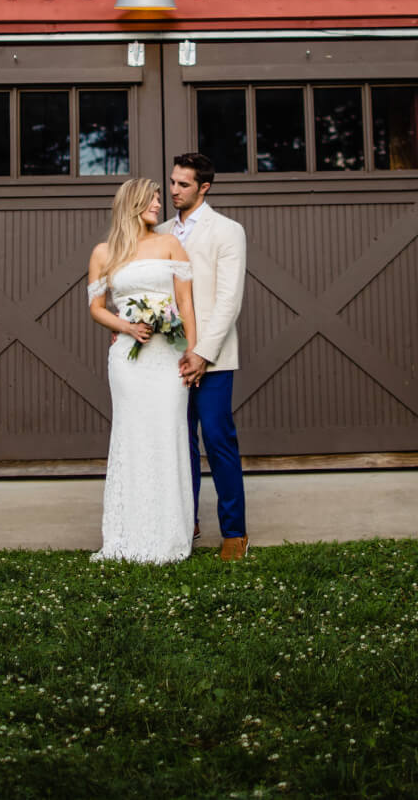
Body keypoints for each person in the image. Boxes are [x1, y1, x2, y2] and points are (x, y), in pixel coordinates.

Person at [87, 177, 199, 564]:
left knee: (168, 433)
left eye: (157, 198)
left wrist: (193, 350)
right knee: (132, 437)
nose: (158, 204)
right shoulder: (104, 252)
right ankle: (126, 533)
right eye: (152, 199)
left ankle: (170, 535)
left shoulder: (170, 244)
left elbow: (185, 303)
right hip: (128, 361)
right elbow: (97, 307)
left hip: (168, 355)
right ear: (132, 204)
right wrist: (127, 327)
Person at [166, 153, 249, 561]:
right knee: (178, 442)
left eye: (183, 184)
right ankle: (186, 522)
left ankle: (234, 532)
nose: (174, 190)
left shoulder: (228, 231)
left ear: (204, 187)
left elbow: (229, 300)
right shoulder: (161, 232)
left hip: (213, 358)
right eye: (172, 182)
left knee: (217, 441)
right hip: (167, 358)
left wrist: (202, 352)